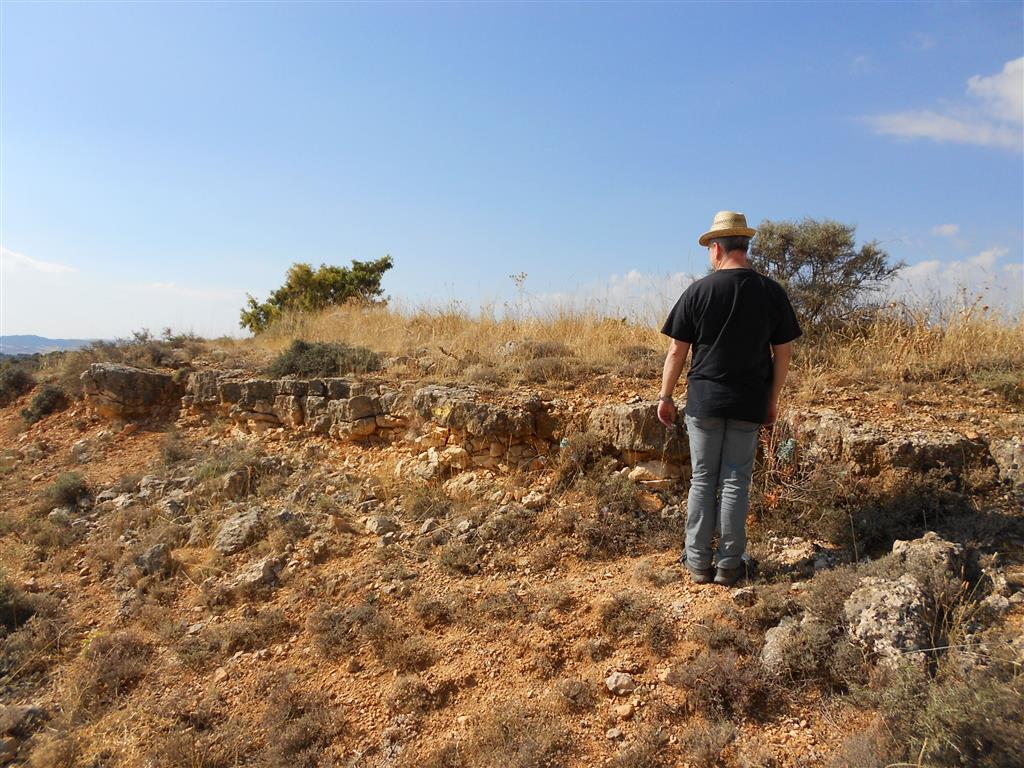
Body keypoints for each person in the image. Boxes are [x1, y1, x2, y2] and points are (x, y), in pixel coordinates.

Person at [657, 211, 802, 587]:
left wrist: (665, 396)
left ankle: (697, 562)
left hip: (705, 400)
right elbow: (782, 353)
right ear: (746, 246)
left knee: (703, 480)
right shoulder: (771, 292)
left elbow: (677, 351)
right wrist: (772, 400)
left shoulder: (698, 292)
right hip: (749, 400)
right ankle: (729, 566)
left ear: (717, 248)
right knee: (737, 480)